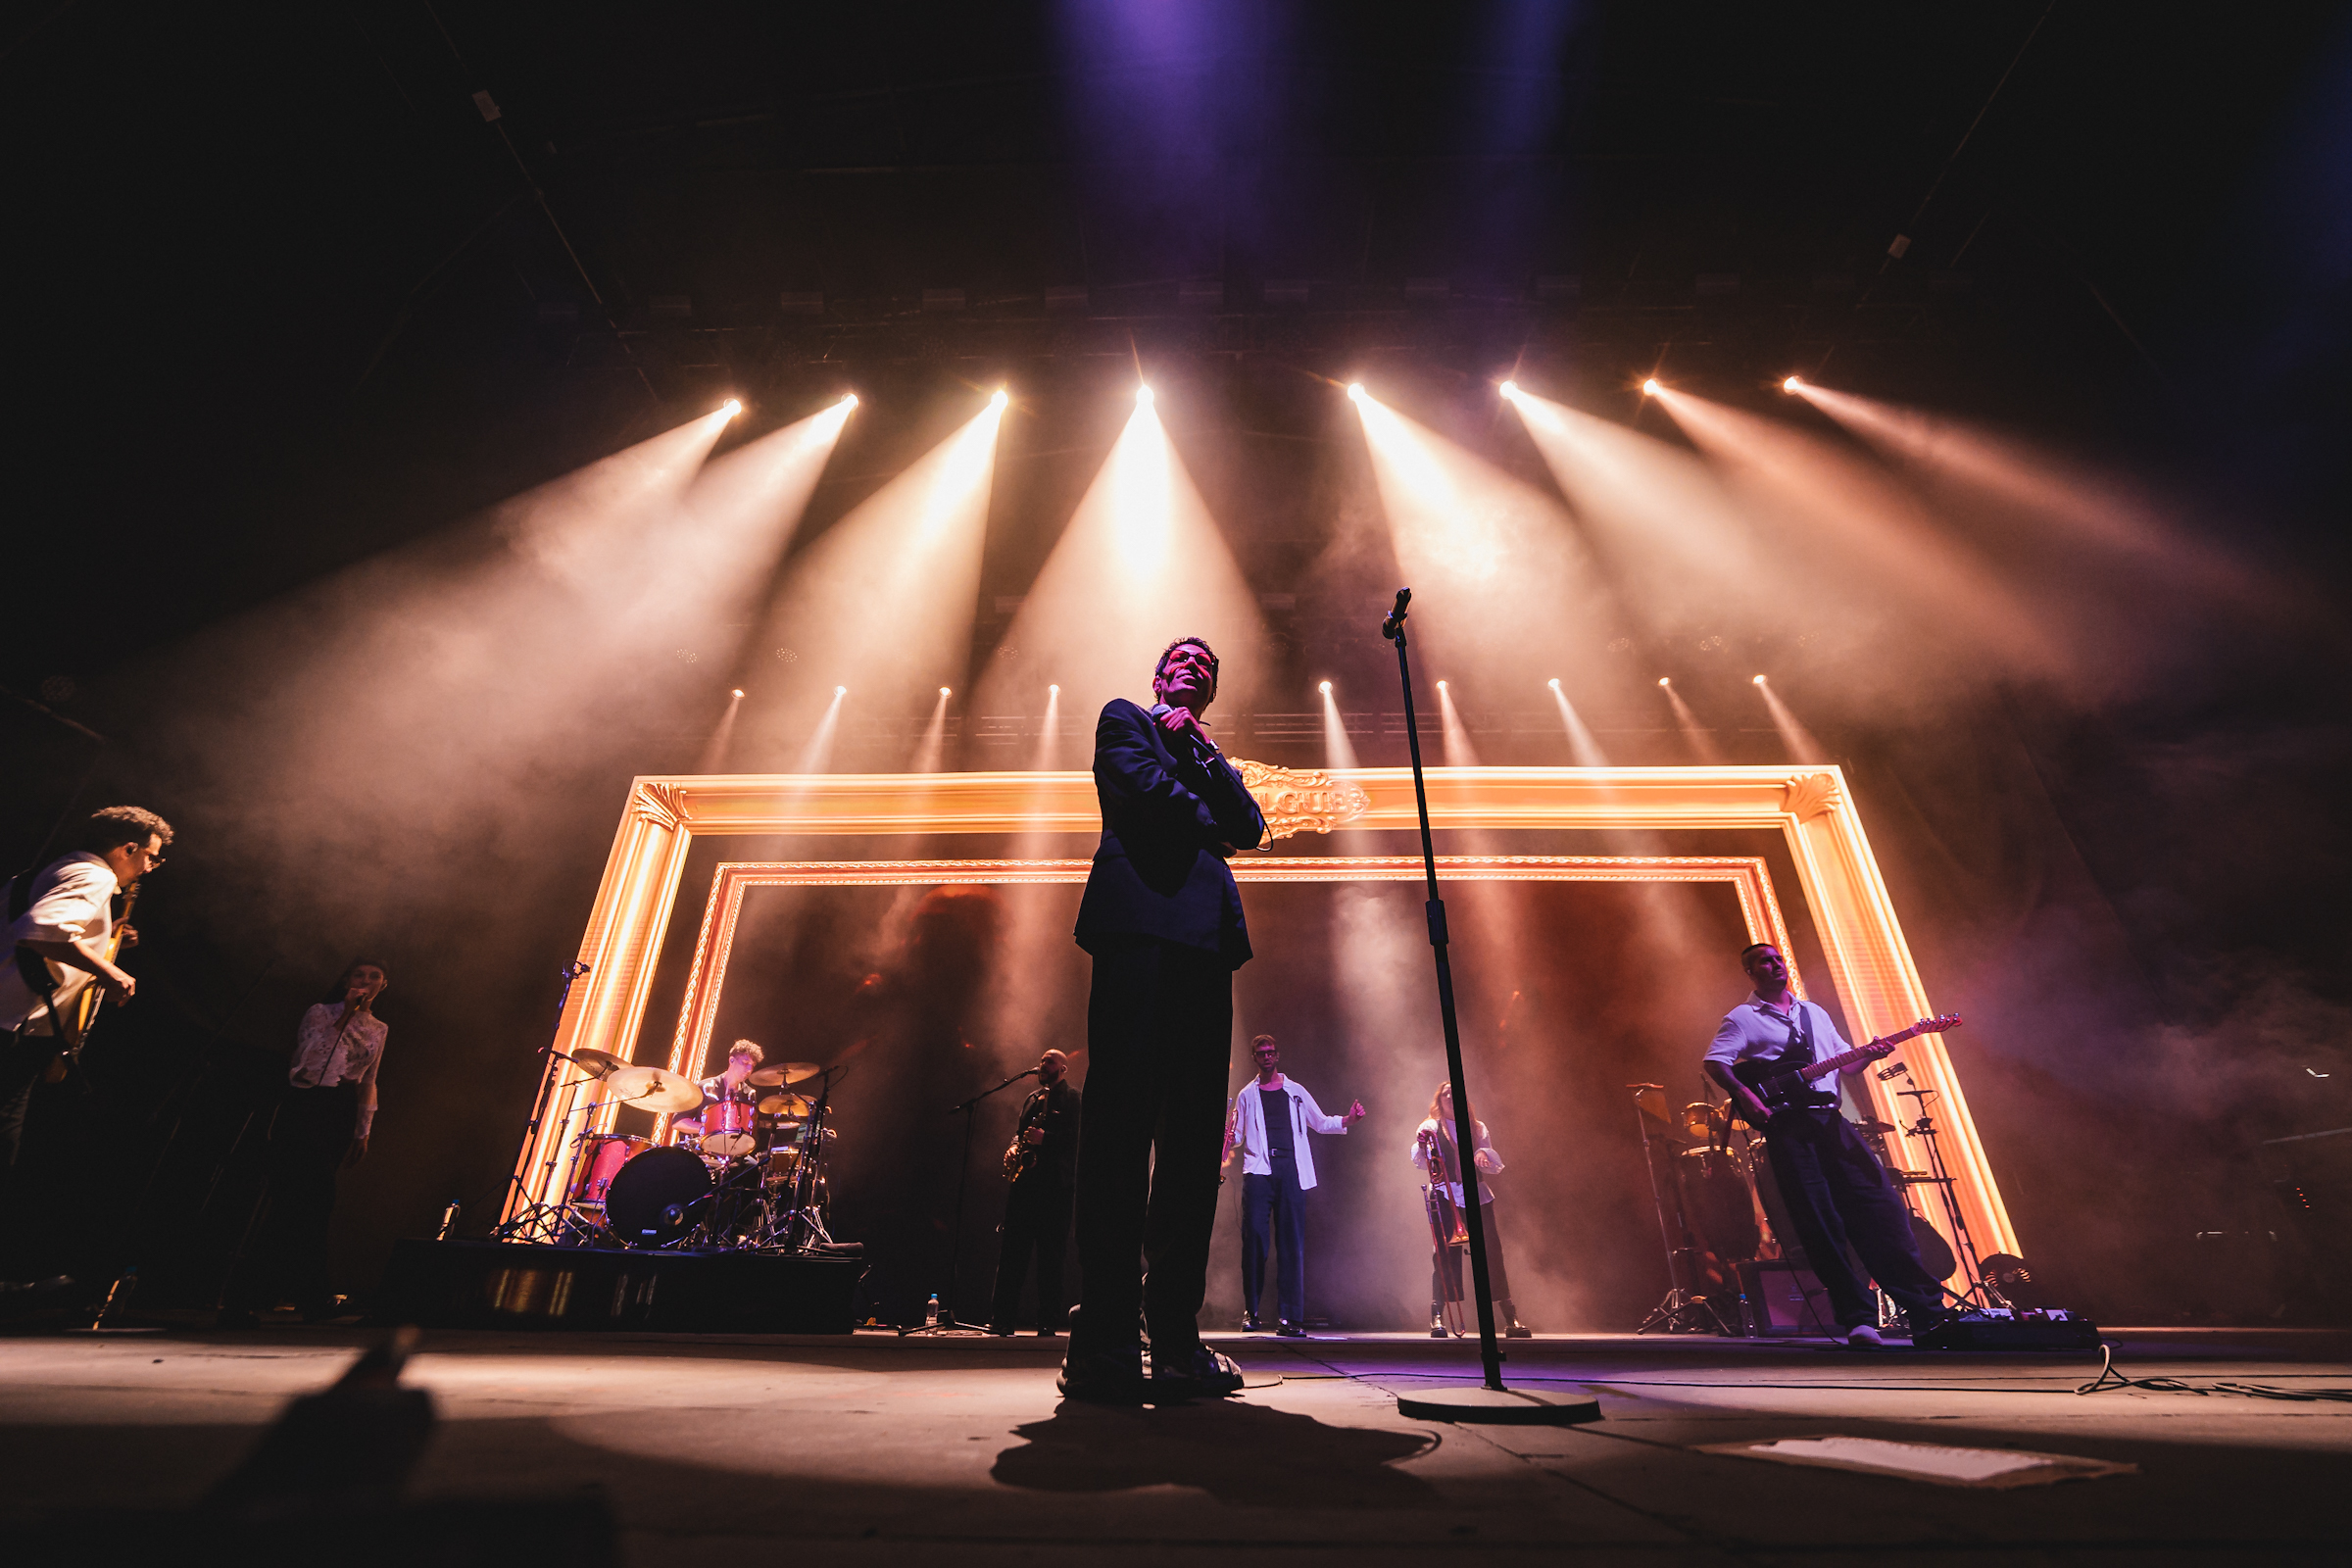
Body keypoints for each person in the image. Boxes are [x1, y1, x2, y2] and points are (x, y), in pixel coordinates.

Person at [1064, 635, 1267, 1402]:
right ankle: (1107, 1339)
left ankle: (1175, 1339)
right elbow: (1143, 790)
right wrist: (1206, 819)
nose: (1195, 669)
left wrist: (1211, 767)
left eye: (1208, 668)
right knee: (1118, 1130)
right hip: (1138, 930)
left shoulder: (1220, 760)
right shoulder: (1125, 719)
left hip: (1204, 948)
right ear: (1158, 676)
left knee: (1189, 1144)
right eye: (1183, 660)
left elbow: (1248, 827)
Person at [1703, 942, 1949, 1348]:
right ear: (1751, 973)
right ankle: (1858, 1319)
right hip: (1788, 1128)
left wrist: (1870, 1054)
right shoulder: (1743, 1019)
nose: (1775, 965)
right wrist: (1745, 1096)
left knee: (1882, 1209)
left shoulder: (1814, 1013)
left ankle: (1927, 1313)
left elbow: (1846, 1064)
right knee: (1820, 1223)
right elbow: (1716, 1061)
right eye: (1764, 961)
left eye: (1778, 958)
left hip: (1830, 1120)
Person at [1, 806, 170, 1282]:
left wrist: (108, 941)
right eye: (151, 858)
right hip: (14, 1030)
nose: (150, 869)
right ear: (128, 848)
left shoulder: (45, 870)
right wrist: (112, 972)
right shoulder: (94, 876)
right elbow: (39, 931)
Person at [225, 958, 391, 1323]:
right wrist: (345, 1014)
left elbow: (368, 1079)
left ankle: (280, 1294)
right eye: (359, 975)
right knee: (302, 1199)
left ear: (383, 985)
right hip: (307, 1104)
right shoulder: (321, 1012)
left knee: (308, 1205)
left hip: (340, 1110)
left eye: (374, 977)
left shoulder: (379, 1028)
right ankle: (290, 1294)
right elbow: (308, 1057)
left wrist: (362, 1130)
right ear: (346, 980)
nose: (366, 981)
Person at [1223, 1034, 1363, 1336]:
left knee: (1291, 1244)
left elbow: (1321, 1121)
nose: (1267, 1057)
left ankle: (1289, 1317)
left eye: (1271, 1052)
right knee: (1255, 1242)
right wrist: (1225, 1133)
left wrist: (1348, 1121)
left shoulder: (1295, 1091)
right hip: (1259, 1172)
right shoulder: (1247, 1095)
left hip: (1292, 1171)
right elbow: (1234, 1138)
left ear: (1278, 1055)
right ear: (1255, 1058)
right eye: (1261, 1053)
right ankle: (1253, 1311)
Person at [1412, 1083, 1531, 1338]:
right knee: (1444, 1255)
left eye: (1457, 1094)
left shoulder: (1477, 1127)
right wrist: (1423, 1145)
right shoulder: (1430, 1127)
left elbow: (1488, 1163)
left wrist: (1482, 1156)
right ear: (1440, 1100)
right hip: (1446, 1196)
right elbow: (1421, 1161)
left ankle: (1510, 1317)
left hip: (1477, 1195)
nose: (1452, 1098)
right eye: (1447, 1094)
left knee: (1491, 1253)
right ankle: (1437, 1315)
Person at [989, 1049, 1081, 1337]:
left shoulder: (1073, 1099)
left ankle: (1047, 1321)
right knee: (1012, 1255)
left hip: (1055, 1189)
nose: (1043, 1065)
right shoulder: (1032, 1098)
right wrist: (1015, 1147)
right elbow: (1021, 1133)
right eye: (1042, 1061)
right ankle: (1001, 1319)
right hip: (1025, 1188)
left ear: (1063, 1068)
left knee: (1050, 1257)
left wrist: (1047, 1139)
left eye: (1050, 1061)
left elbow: (1078, 1139)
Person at [673, 1039, 764, 1149]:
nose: (749, 1069)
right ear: (731, 1060)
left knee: (753, 1165)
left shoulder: (749, 1094)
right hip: (701, 1147)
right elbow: (678, 1122)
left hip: (732, 1149)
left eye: (752, 1065)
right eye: (745, 1063)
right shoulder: (705, 1087)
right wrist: (710, 1129)